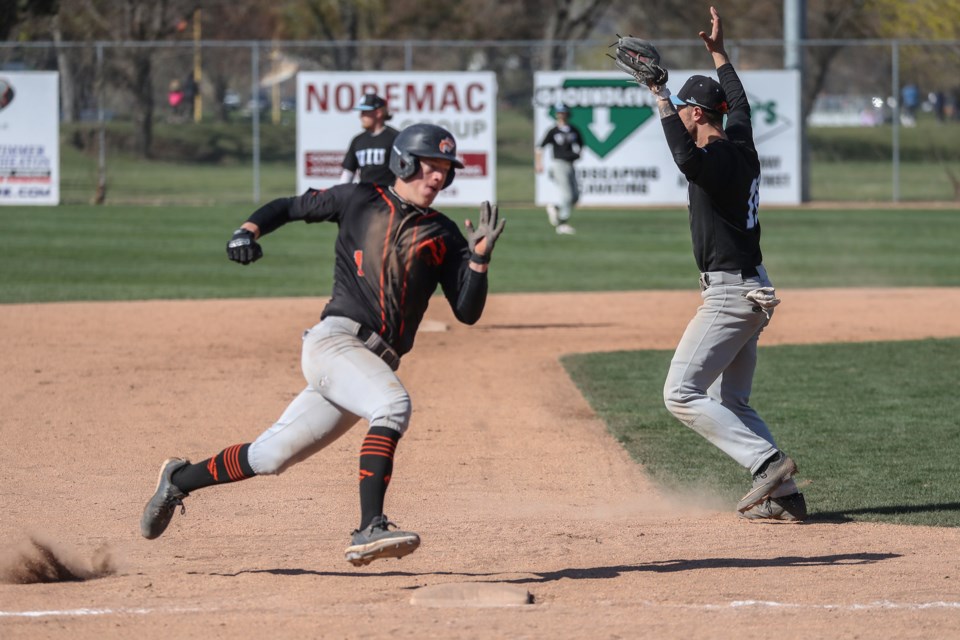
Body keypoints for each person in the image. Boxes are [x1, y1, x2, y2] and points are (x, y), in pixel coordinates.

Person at [140, 123, 506, 565]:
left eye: (446, 170)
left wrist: (479, 260)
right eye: (432, 166)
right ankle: (370, 526)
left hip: (367, 364)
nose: (439, 177)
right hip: (335, 342)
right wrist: (248, 230)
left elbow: (467, 312)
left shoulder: (444, 234)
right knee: (392, 405)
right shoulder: (359, 199)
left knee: (269, 456)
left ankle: (179, 479)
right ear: (405, 162)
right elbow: (289, 207)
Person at [641, 6, 804, 522]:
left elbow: (686, 161)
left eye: (686, 109)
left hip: (731, 294)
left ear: (695, 113)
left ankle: (767, 463)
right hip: (755, 290)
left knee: (681, 394)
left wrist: (660, 97)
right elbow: (741, 104)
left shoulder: (709, 162)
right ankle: (786, 497)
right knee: (732, 401)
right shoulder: (743, 147)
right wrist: (719, 55)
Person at [535, 102, 583, 235]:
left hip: (570, 164)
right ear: (557, 114)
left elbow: (581, 145)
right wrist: (539, 164)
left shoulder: (573, 130)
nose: (562, 115)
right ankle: (562, 224)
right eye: (560, 112)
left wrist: (578, 154)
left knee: (575, 196)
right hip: (558, 164)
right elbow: (540, 147)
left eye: (564, 112)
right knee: (566, 195)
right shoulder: (553, 131)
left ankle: (555, 208)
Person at [340, 93, 399, 186]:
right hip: (364, 196)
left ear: (378, 113)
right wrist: (340, 196)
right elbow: (348, 172)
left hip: (387, 196)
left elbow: (403, 172)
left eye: (365, 112)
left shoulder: (395, 137)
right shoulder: (358, 140)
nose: (361, 116)